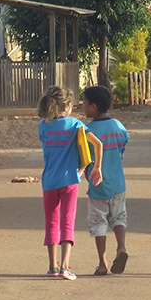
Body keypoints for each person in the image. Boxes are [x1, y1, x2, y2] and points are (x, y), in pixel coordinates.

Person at [37, 86, 103, 281]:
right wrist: (96, 167)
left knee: (51, 222)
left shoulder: (43, 126)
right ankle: (65, 266)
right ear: (65, 107)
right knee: (67, 221)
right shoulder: (75, 125)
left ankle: (52, 266)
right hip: (69, 181)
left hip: (49, 181)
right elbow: (98, 144)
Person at [81, 86, 130, 276]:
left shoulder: (87, 130)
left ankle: (102, 263)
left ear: (93, 107)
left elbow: (83, 157)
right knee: (119, 218)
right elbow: (123, 146)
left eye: (84, 103)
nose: (83, 107)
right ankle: (121, 248)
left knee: (98, 223)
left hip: (97, 186)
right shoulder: (118, 126)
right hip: (118, 183)